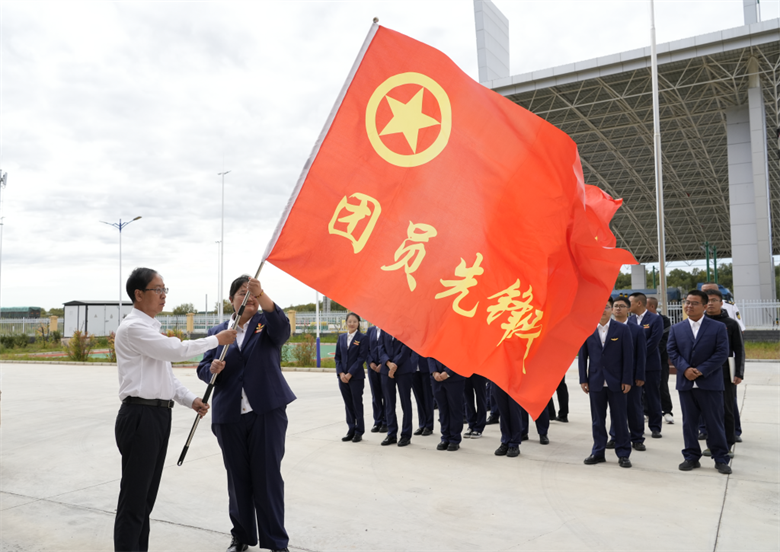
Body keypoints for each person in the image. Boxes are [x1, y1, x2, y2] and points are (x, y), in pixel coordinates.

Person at [114, 267, 237, 552]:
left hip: (157, 416)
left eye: (165, 289)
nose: (163, 295)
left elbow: (166, 376)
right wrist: (216, 340)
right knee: (133, 501)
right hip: (139, 417)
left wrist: (190, 399)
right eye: (158, 289)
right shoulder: (133, 328)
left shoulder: (149, 329)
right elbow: (176, 351)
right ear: (138, 294)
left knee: (145, 501)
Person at [197, 275, 295, 552]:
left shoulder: (266, 325)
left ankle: (276, 541)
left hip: (265, 412)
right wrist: (211, 369)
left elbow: (282, 328)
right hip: (229, 415)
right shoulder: (219, 332)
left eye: (253, 294)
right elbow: (202, 367)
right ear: (231, 300)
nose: (249, 298)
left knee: (268, 478)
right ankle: (241, 536)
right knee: (237, 478)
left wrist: (261, 294)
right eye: (243, 293)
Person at [667, 290, 731, 475]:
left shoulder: (717, 327)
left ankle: (720, 458)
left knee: (714, 422)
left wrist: (701, 370)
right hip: (686, 383)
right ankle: (691, 457)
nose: (689, 306)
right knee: (689, 423)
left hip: (710, 383)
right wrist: (685, 369)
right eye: (687, 302)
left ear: (704, 306)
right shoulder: (677, 328)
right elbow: (672, 351)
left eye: (694, 303)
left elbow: (721, 353)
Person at [579, 297, 633, 468]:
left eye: (607, 307)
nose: (603, 310)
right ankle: (598, 452)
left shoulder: (622, 330)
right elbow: (582, 357)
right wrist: (583, 379)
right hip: (595, 382)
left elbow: (628, 357)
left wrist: (626, 379)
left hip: (616, 382)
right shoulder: (587, 328)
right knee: (597, 420)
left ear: (611, 309)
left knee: (619, 419)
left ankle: (623, 453)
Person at [701, 282, 745, 442]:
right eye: (708, 301)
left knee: (727, 407)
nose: (711, 303)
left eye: (714, 300)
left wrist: (739, 373)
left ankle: (729, 440)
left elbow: (739, 349)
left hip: (726, 372)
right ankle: (710, 439)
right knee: (707, 408)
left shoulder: (731, 324)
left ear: (721, 302)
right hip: (704, 371)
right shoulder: (698, 323)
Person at [607, 296, 647, 451]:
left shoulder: (636, 329)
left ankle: (637, 438)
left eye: (622, 306)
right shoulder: (607, 328)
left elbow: (641, 355)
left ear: (629, 309)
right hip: (614, 377)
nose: (618, 309)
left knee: (634, 407)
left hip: (631, 377)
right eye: (615, 306)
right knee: (616, 409)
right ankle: (615, 436)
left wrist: (639, 376)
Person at [628, 292, 664, 438]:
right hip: (633, 365)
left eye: (629, 303)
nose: (626, 306)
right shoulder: (629, 320)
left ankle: (655, 426)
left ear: (639, 303)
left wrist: (637, 355)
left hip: (650, 364)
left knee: (652, 395)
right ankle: (636, 428)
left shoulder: (655, 319)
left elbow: (654, 342)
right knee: (635, 398)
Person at [334, 313, 367, 442]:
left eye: (354, 321)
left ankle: (359, 431)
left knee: (356, 403)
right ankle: (351, 429)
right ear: (346, 323)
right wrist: (341, 373)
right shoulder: (341, 337)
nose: (352, 324)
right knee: (348, 404)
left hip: (356, 377)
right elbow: (337, 357)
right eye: (349, 321)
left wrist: (350, 373)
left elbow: (361, 358)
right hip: (342, 378)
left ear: (358, 323)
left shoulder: (363, 338)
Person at [378, 331, 414, 446]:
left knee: (405, 402)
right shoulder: (385, 329)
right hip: (386, 370)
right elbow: (380, 347)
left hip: (403, 370)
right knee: (389, 402)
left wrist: (394, 365)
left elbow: (406, 349)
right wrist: (388, 363)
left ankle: (406, 435)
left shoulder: (406, 328)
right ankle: (391, 433)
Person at [428, 358, 466, 451]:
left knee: (455, 408)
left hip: (454, 377)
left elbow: (460, 355)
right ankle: (445, 437)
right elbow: (430, 354)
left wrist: (448, 372)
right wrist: (434, 371)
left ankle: (455, 438)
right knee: (442, 409)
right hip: (437, 378)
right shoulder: (434, 342)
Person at [647, 297, 674, 424]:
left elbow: (664, 340)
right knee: (644, 387)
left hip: (660, 358)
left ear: (652, 307)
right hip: (643, 359)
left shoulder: (664, 320)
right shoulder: (638, 320)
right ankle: (645, 412)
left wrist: (652, 353)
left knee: (662, 385)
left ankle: (667, 411)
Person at [492, 384, 524, 458]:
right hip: (498, 378)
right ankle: (505, 441)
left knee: (514, 411)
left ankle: (514, 443)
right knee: (503, 411)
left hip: (515, 379)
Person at [365, 325, 387, 433]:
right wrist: (370, 362)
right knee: (375, 395)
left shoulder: (387, 329)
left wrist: (383, 363)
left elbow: (389, 348)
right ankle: (377, 421)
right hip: (372, 368)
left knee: (386, 395)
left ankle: (386, 422)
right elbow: (365, 348)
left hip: (385, 367)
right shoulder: (370, 330)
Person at [410, 350, 435, 436]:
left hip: (426, 367)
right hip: (413, 367)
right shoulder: (411, 336)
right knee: (418, 399)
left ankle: (429, 425)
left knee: (428, 398)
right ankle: (422, 424)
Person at [463, 374, 488, 439]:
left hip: (479, 371)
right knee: (467, 399)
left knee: (481, 399)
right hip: (466, 371)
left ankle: (479, 427)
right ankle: (471, 424)